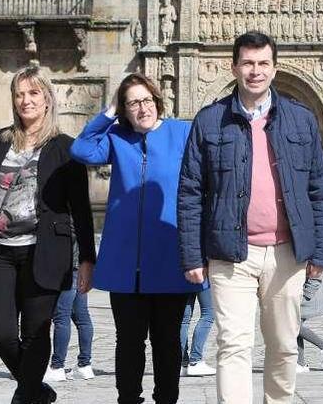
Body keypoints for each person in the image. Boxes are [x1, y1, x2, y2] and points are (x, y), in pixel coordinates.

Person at [178, 31, 323, 404]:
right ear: (234, 67)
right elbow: (190, 191)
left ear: (274, 68)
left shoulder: (300, 119)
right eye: (247, 63)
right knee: (233, 344)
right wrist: (190, 255)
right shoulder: (210, 120)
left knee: (283, 346)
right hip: (231, 252)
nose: (255, 71)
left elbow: (320, 189)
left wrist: (322, 253)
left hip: (287, 252)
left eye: (263, 63)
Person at [0, 69, 95, 404]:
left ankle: (25, 397)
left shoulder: (66, 148)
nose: (26, 100)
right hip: (1, 253)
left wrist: (87, 259)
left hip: (47, 253)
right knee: (0, 331)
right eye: (19, 94)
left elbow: (81, 209)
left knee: (36, 334)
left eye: (33, 93)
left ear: (47, 100)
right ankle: (36, 390)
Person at [70, 73, 200, 404]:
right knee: (128, 340)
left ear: (156, 100)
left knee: (168, 340)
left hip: (170, 255)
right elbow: (81, 149)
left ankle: (166, 399)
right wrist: (110, 110)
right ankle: (128, 399)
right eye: (132, 103)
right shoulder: (116, 137)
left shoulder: (182, 133)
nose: (141, 108)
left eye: (145, 100)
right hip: (126, 260)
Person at [44, 241, 95, 383]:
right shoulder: (82, 220)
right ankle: (85, 365)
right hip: (81, 269)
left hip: (68, 269)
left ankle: (57, 366)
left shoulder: (66, 218)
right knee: (83, 319)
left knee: (61, 318)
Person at [296, 272, 323, 373]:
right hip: (300, 291)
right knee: (295, 325)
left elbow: (316, 272)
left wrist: (306, 293)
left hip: (307, 292)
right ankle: (300, 363)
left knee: (293, 325)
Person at [179, 289, 216, 377]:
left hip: (183, 279)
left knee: (184, 319)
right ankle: (195, 361)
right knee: (208, 314)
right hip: (203, 278)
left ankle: (182, 364)